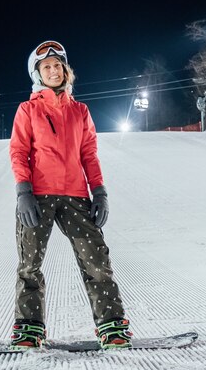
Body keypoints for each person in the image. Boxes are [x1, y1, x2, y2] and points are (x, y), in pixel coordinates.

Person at [8, 40, 132, 350]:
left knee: (96, 261)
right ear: (37, 74)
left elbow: (89, 153)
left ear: (66, 70)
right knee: (30, 264)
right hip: (38, 197)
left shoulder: (80, 111)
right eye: (46, 66)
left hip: (76, 196)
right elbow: (18, 151)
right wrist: (23, 192)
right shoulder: (28, 109)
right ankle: (29, 330)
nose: (53, 70)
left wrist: (99, 192)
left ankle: (111, 326)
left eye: (57, 65)